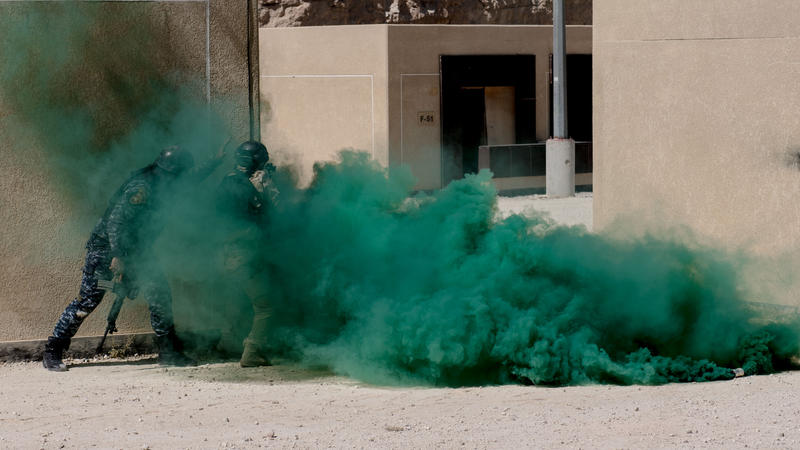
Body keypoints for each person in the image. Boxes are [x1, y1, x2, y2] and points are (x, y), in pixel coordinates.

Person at [42, 145, 224, 371]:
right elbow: (115, 222)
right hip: (107, 251)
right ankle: (53, 350)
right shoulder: (142, 187)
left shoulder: (166, 182)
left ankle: (169, 352)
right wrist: (119, 256)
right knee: (89, 300)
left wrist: (215, 160)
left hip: (139, 250)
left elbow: (190, 180)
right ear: (172, 172)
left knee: (159, 295)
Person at [216, 141, 275, 367]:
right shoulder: (256, 184)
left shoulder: (226, 181)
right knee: (265, 306)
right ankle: (252, 351)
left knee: (235, 299)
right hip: (245, 253)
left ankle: (226, 343)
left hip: (224, 252)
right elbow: (271, 211)